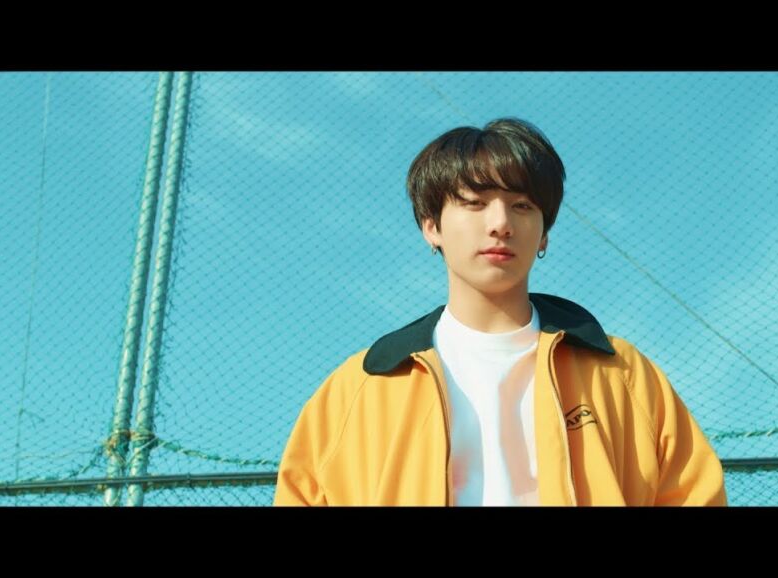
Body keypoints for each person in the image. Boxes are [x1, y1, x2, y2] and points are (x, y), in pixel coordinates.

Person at [274, 117, 727, 506]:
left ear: (544, 233)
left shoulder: (623, 374)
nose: (500, 223)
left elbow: (693, 493)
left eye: (522, 206)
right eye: (474, 203)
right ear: (431, 226)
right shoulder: (360, 387)